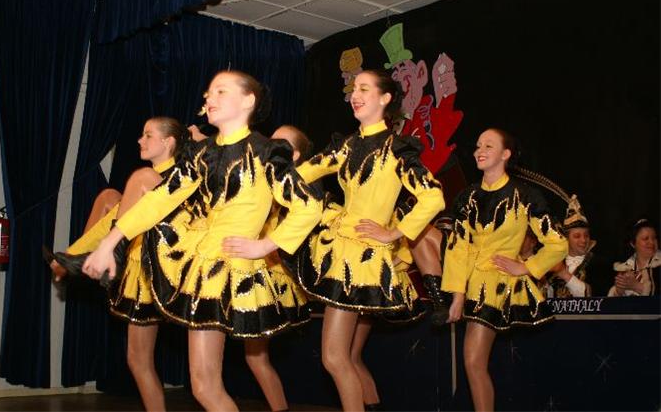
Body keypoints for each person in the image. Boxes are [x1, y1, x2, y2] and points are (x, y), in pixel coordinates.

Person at [82, 70, 323, 412]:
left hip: (235, 270)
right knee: (203, 386)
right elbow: (160, 198)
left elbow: (308, 205)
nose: (209, 98)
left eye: (221, 91)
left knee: (207, 386)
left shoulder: (267, 152)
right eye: (209, 92)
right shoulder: (202, 153)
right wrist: (111, 241)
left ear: (248, 101)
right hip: (204, 266)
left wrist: (266, 245)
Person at [231, 69, 446, 411]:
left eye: (364, 89)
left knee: (335, 357)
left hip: (360, 258)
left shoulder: (396, 149)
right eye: (353, 89)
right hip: (341, 248)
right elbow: (306, 172)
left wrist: (394, 232)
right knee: (341, 357)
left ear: (385, 98)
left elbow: (433, 197)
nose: (355, 95)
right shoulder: (348, 145)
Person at [48, 116, 190, 412]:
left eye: (148, 135)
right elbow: (114, 221)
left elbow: (122, 225)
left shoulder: (165, 179)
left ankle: (104, 255)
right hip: (142, 269)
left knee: (146, 362)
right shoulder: (151, 180)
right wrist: (70, 255)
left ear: (168, 142)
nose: (140, 140)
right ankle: (87, 257)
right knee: (109, 196)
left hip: (160, 271)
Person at [442, 128, 568, 412]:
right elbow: (457, 248)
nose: (479, 150)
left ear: (506, 154)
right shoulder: (467, 197)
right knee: (474, 362)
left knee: (473, 361)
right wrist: (457, 295)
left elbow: (558, 243)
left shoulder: (525, 196)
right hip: (472, 283)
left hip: (496, 285)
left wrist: (526, 267)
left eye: (488, 145)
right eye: (478, 145)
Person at [241, 124, 314, 412]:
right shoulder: (263, 175)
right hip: (243, 266)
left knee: (256, 357)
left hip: (267, 274)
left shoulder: (292, 183)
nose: (270, 146)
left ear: (294, 155)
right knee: (254, 358)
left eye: (279, 143)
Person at [546, 195, 596, 297]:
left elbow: (592, 297)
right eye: (577, 236)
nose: (583, 240)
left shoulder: (597, 264)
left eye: (586, 235)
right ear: (566, 239)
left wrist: (564, 273)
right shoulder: (556, 263)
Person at [608, 219, 659, 296]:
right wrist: (619, 291)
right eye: (646, 239)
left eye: (654, 238)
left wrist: (637, 286)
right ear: (633, 243)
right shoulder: (624, 267)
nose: (651, 242)